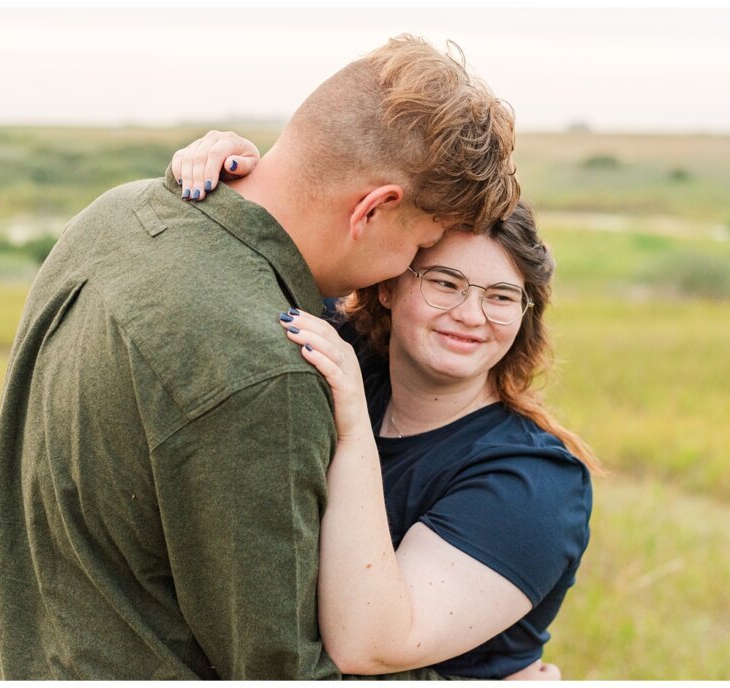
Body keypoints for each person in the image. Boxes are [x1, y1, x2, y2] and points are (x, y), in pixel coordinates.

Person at [0, 35, 519, 680]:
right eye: (420, 246)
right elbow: (280, 669)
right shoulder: (267, 369)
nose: (406, 271)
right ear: (374, 208)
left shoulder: (113, 215)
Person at [174, 133, 603, 679]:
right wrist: (225, 171)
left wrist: (352, 430)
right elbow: (281, 230)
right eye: (445, 283)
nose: (471, 315)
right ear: (388, 286)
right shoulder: (349, 347)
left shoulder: (532, 485)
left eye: (500, 296)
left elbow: (369, 645)